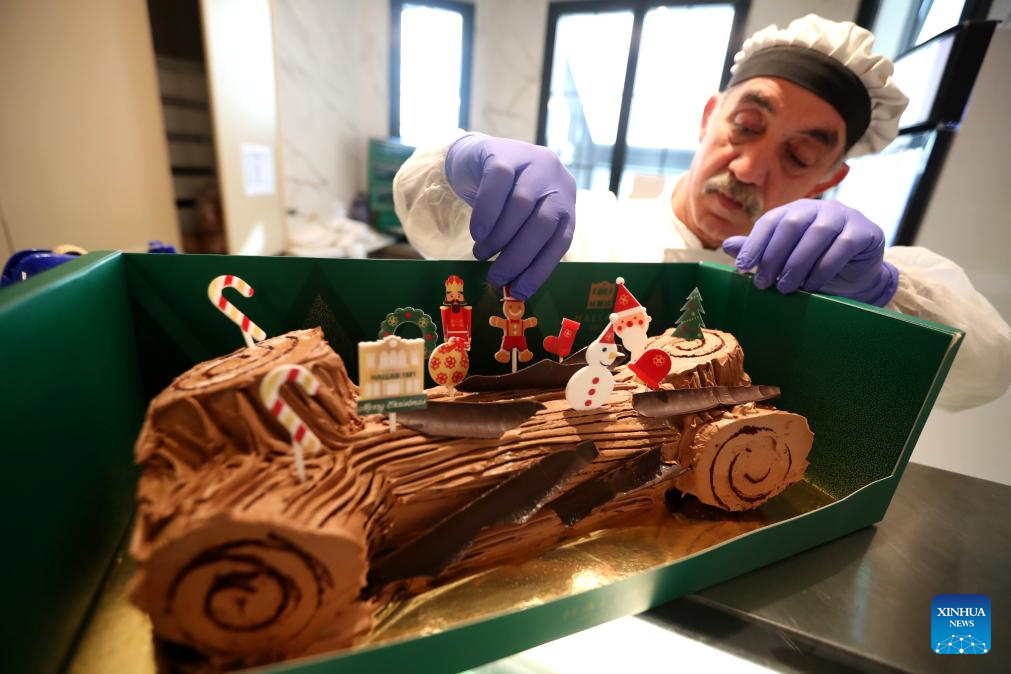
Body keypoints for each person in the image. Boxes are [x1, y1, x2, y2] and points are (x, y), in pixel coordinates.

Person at [393, 14, 1011, 411]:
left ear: (830, 179)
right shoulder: (590, 232)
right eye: (746, 125)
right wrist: (460, 167)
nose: (749, 168)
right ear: (709, 116)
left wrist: (882, 292)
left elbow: (985, 371)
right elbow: (433, 222)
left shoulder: (841, 282)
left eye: (798, 156)